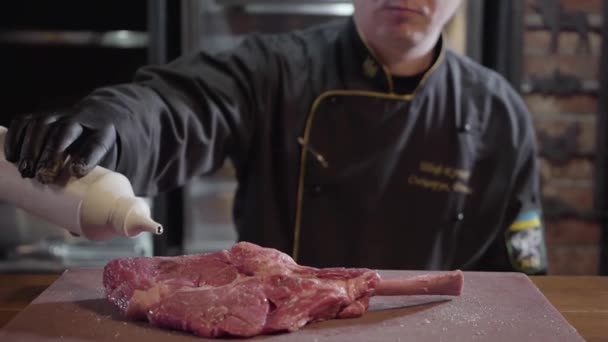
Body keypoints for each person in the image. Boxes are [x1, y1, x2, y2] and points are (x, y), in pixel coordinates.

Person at [4, 0, 548, 274]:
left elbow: (521, 278)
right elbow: (176, 107)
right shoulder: (278, 70)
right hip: (279, 327)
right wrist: (109, 126)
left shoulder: (499, 113)